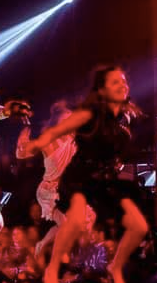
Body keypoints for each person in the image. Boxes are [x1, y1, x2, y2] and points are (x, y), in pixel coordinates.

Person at [23, 65, 148, 283]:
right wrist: (38, 143)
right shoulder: (90, 114)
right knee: (77, 219)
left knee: (139, 226)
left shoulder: (127, 117)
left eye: (123, 81)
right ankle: (52, 269)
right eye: (115, 82)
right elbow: (56, 131)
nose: (122, 85)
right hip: (80, 176)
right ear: (101, 90)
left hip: (106, 180)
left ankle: (115, 266)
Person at [16, 100, 97, 259]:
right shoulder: (50, 141)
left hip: (67, 189)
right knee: (67, 223)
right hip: (49, 190)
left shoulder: (77, 141)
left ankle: (50, 246)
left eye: (71, 119)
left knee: (82, 221)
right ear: (57, 122)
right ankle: (55, 250)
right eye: (65, 119)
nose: (69, 123)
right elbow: (21, 154)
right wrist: (21, 142)